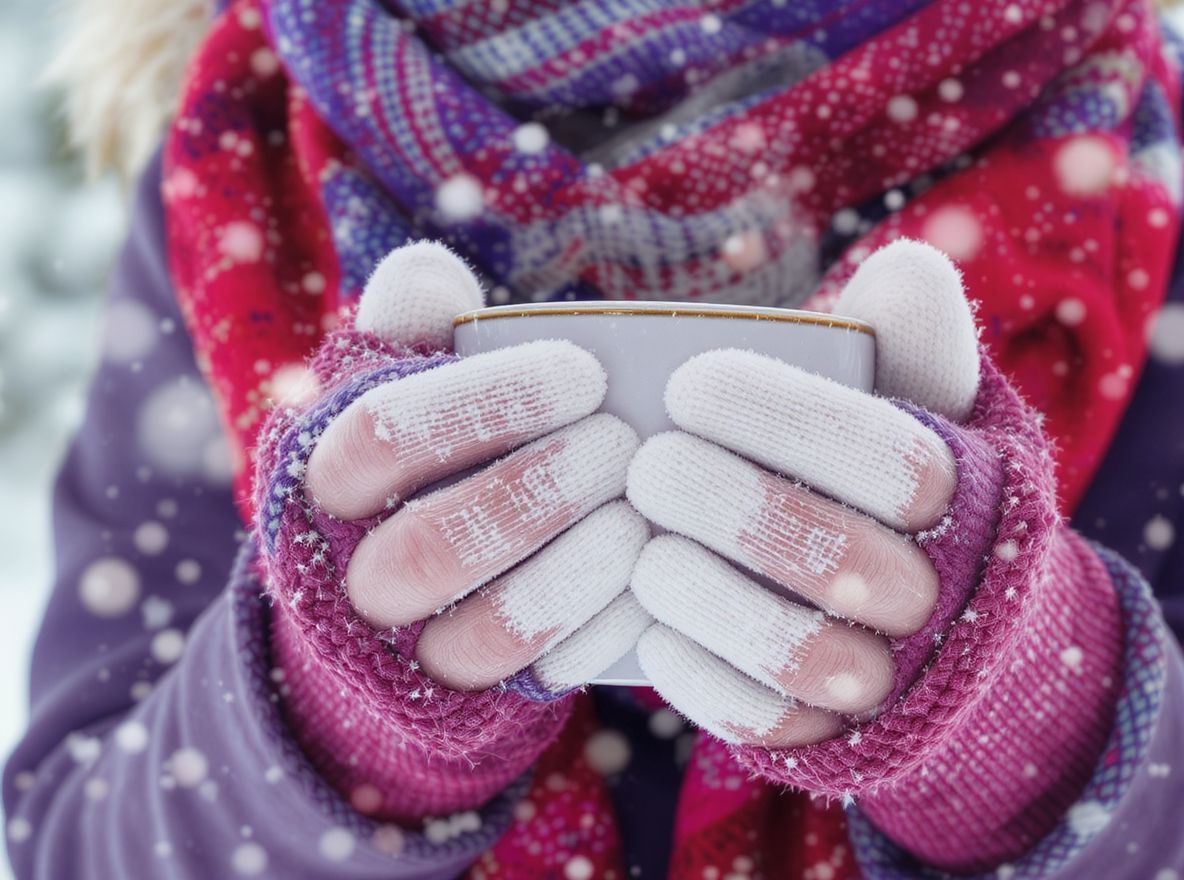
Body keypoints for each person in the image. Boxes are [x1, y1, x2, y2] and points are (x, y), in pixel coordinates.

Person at [6, 0, 1184, 877]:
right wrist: (331, 724)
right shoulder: (248, 161)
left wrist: (1028, 731)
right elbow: (68, 841)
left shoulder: (1144, 164)